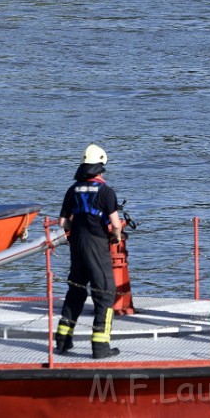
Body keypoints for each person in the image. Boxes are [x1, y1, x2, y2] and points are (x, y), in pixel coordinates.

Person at [54, 144, 124, 359]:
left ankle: (63, 341)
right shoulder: (106, 191)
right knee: (104, 294)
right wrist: (117, 237)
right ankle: (100, 347)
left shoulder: (72, 189)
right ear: (100, 168)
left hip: (77, 245)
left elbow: (63, 222)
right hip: (97, 245)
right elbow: (116, 224)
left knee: (75, 290)